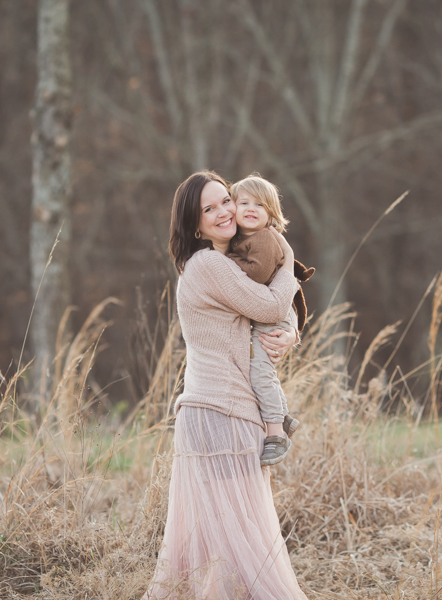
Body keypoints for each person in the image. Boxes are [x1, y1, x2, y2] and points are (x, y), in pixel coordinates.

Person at [143, 170, 308, 599]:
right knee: (242, 541)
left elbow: (266, 312)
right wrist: (288, 259)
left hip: (219, 410)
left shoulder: (230, 265)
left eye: (226, 200)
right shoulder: (209, 265)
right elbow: (270, 305)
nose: (223, 212)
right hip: (222, 412)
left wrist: (291, 333)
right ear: (195, 225)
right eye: (209, 209)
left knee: (223, 543)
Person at [228, 174, 307, 466]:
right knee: (262, 369)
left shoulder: (262, 237)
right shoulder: (245, 239)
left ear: (271, 213)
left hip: (275, 314)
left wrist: (228, 263)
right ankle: (282, 417)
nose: (251, 208)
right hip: (274, 312)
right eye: (244, 202)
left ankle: (276, 435)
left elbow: (259, 273)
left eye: (260, 204)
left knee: (260, 371)